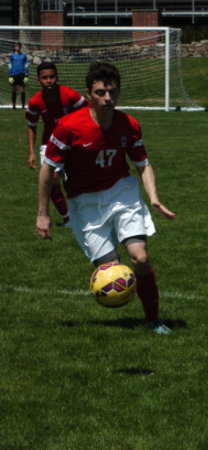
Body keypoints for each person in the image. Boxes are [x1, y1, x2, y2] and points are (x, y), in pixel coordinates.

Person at [35, 62, 176, 335]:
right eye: (101, 92)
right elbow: (47, 170)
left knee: (140, 258)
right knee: (110, 270)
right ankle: (123, 299)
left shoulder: (128, 124)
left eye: (112, 92)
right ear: (88, 94)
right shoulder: (68, 126)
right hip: (85, 202)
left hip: (121, 193)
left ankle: (153, 320)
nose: (107, 98)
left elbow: (142, 164)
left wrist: (154, 198)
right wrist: (43, 214)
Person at [26, 62, 88, 225]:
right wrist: (31, 152)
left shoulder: (70, 95)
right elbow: (31, 126)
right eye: (45, 78)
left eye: (52, 77)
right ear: (39, 80)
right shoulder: (35, 101)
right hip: (49, 144)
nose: (49, 81)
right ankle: (67, 218)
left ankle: (83, 214)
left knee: (75, 181)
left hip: (72, 143)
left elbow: (88, 113)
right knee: (51, 179)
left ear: (57, 77)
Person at [7, 42, 29, 110]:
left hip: (21, 74)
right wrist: (10, 75)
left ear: (20, 47)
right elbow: (10, 65)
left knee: (22, 90)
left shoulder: (24, 56)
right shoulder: (12, 56)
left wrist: (26, 75)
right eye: (16, 46)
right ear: (14, 47)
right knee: (14, 90)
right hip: (14, 74)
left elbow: (26, 65)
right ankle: (14, 106)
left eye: (18, 46)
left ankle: (23, 106)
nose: (17, 47)